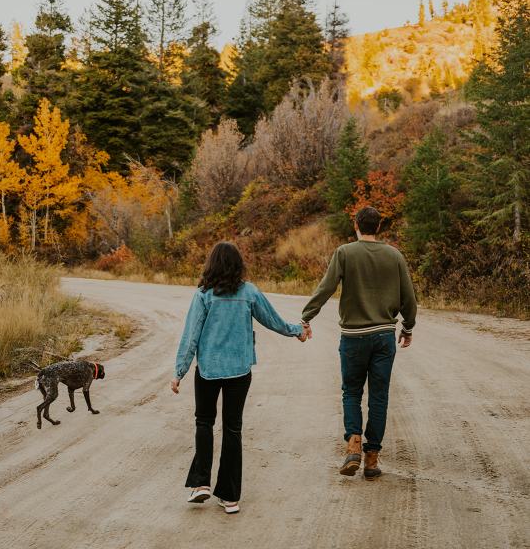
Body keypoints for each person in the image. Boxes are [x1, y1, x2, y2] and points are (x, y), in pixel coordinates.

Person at [171, 241, 310, 514]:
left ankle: (201, 485)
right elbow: (274, 320)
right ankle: (230, 496)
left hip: (208, 371)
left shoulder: (203, 295)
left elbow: (190, 337)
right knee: (232, 429)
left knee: (204, 422)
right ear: (238, 265)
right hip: (239, 371)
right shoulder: (249, 293)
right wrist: (297, 330)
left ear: (211, 265)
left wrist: (179, 372)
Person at [301, 205, 417, 480]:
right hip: (383, 337)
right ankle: (372, 459)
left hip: (353, 337)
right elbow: (408, 298)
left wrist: (307, 316)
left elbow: (326, 287)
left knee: (351, 392)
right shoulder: (394, 255)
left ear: (356, 225)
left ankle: (353, 443)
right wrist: (408, 327)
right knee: (379, 396)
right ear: (378, 227)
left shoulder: (345, 253)